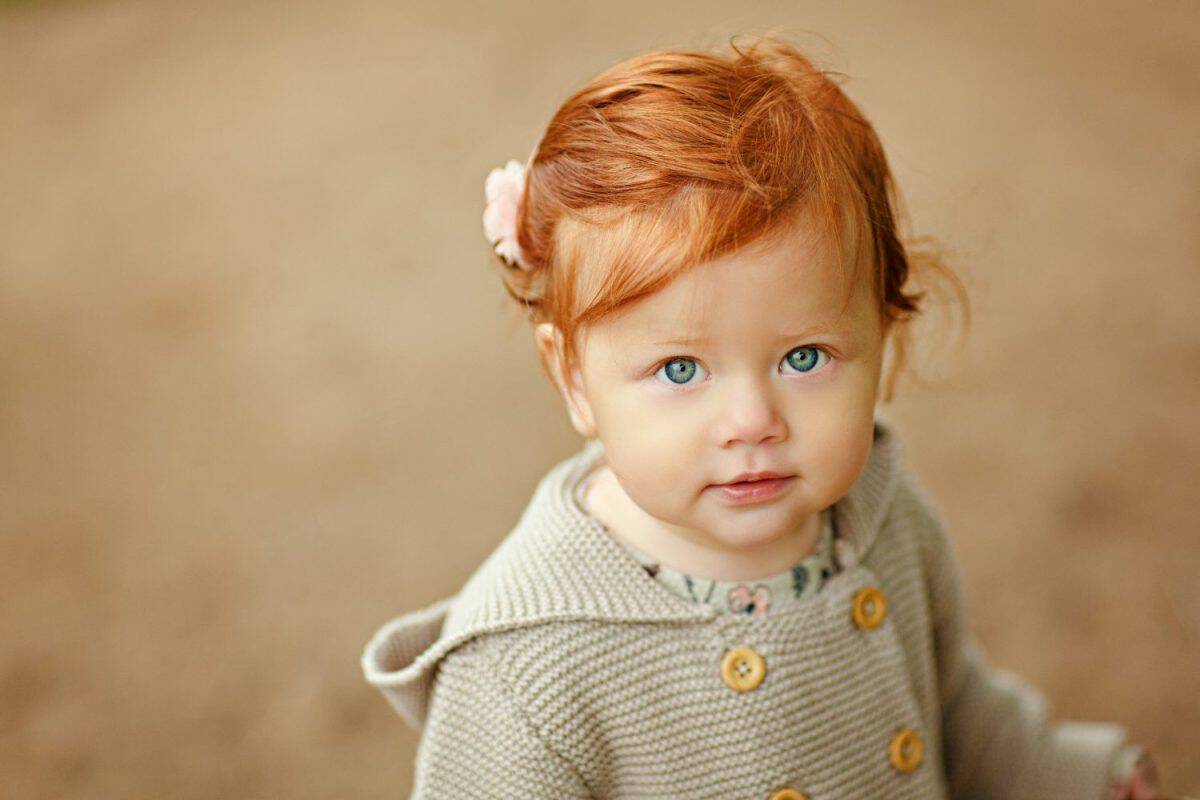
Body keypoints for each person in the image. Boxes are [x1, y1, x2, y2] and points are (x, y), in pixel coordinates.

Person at [360, 34, 1168, 799]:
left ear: (883, 339)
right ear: (572, 378)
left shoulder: (882, 520)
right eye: (680, 369)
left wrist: (1066, 774)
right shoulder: (524, 666)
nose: (752, 421)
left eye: (805, 358)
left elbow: (949, 703)